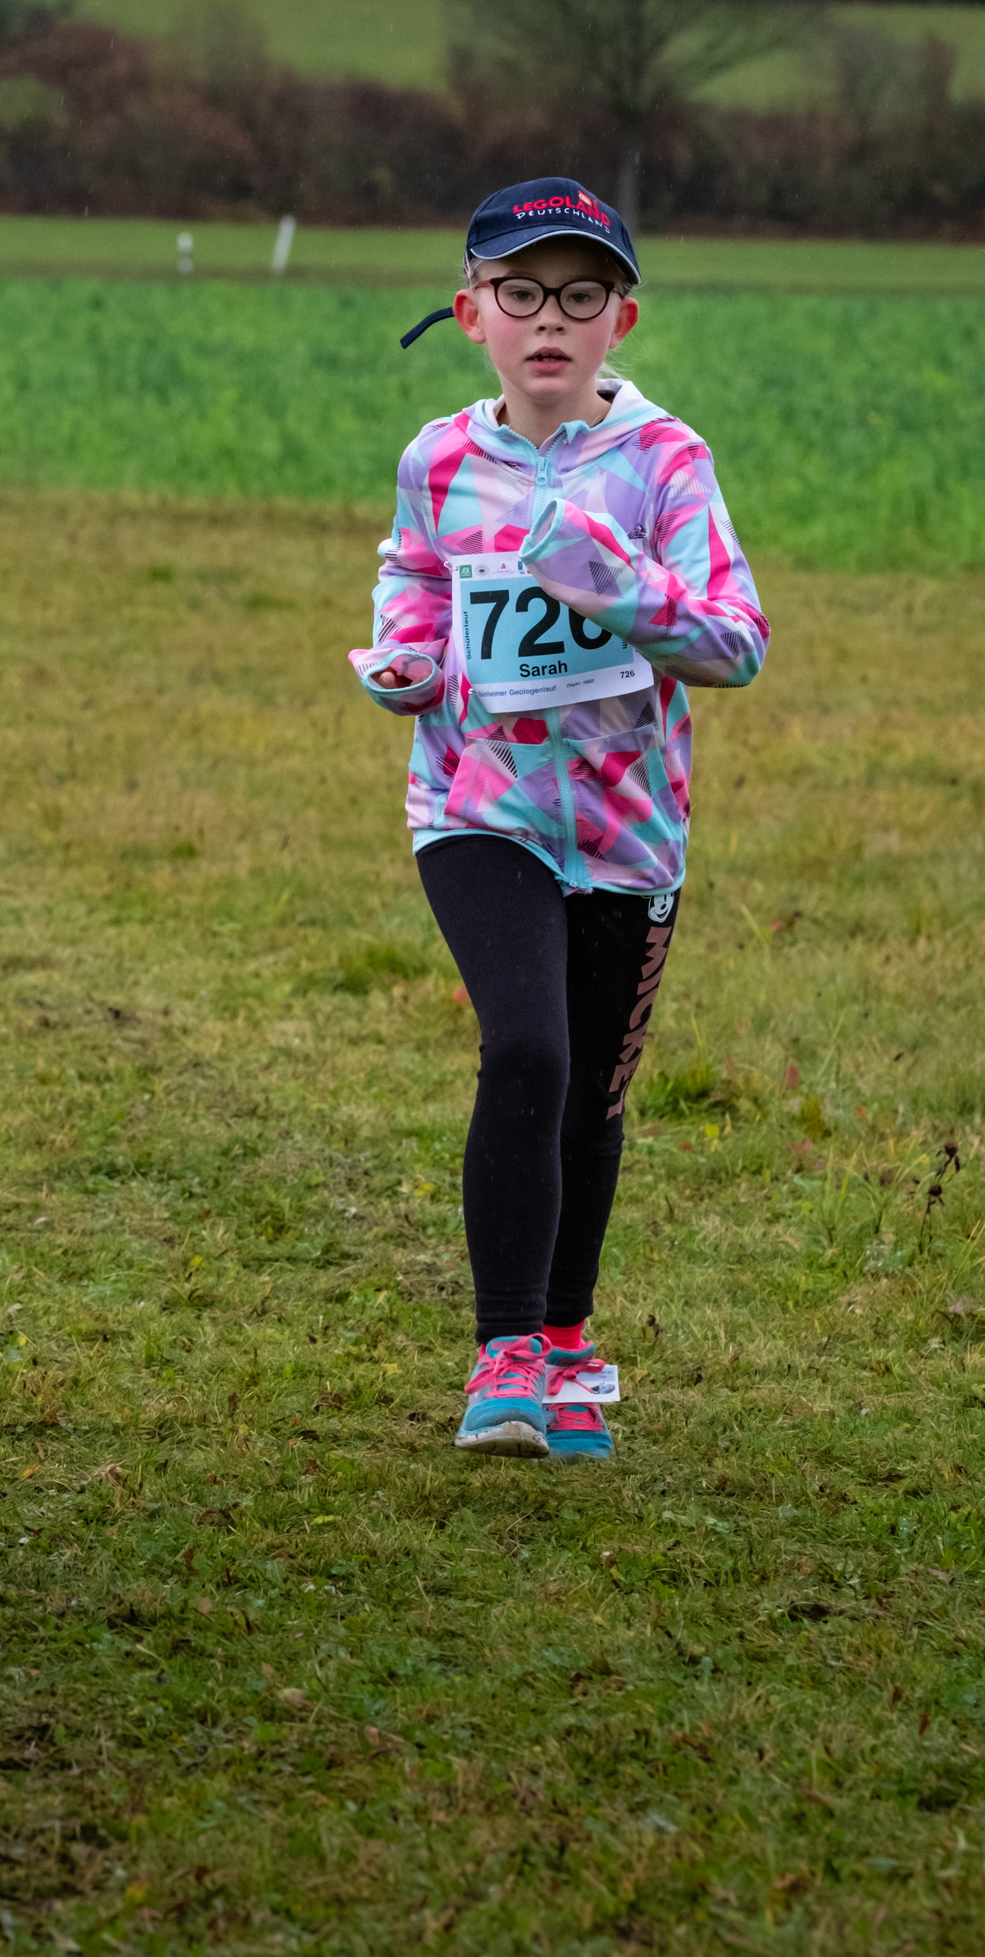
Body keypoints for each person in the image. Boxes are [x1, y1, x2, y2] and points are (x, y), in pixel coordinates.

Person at [353, 178, 767, 1461]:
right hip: (476, 805)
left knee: (590, 1094)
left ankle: (571, 1339)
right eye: (522, 292)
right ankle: (507, 1352)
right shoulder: (437, 459)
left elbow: (736, 644)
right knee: (526, 1052)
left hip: (628, 831)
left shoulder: (666, 461)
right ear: (471, 313)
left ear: (619, 322)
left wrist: (614, 581)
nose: (550, 319)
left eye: (581, 297)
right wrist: (408, 657)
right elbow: (416, 573)